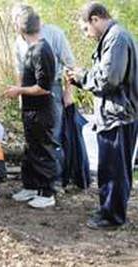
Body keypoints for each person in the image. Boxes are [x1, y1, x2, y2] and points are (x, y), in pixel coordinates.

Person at [67, 2, 138, 229]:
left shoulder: (116, 39)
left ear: (95, 19)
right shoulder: (111, 38)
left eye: (86, 29)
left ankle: (113, 217)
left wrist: (81, 76)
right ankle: (108, 209)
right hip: (113, 114)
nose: (86, 35)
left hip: (119, 115)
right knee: (109, 167)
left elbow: (109, 79)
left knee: (116, 170)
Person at [12, 4, 76, 187]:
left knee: (50, 138)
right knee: (33, 141)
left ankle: (52, 185)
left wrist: (68, 91)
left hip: (51, 90)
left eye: (16, 19)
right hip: (28, 94)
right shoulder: (19, 41)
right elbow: (20, 70)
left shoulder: (52, 35)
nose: (15, 24)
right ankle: (34, 185)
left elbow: (69, 65)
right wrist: (19, 94)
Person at [5, 7, 58, 208]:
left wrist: (18, 90)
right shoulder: (31, 49)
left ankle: (47, 192)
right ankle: (31, 186)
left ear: (20, 29)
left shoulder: (42, 50)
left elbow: (44, 88)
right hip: (30, 111)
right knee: (31, 150)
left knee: (44, 150)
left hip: (42, 111)